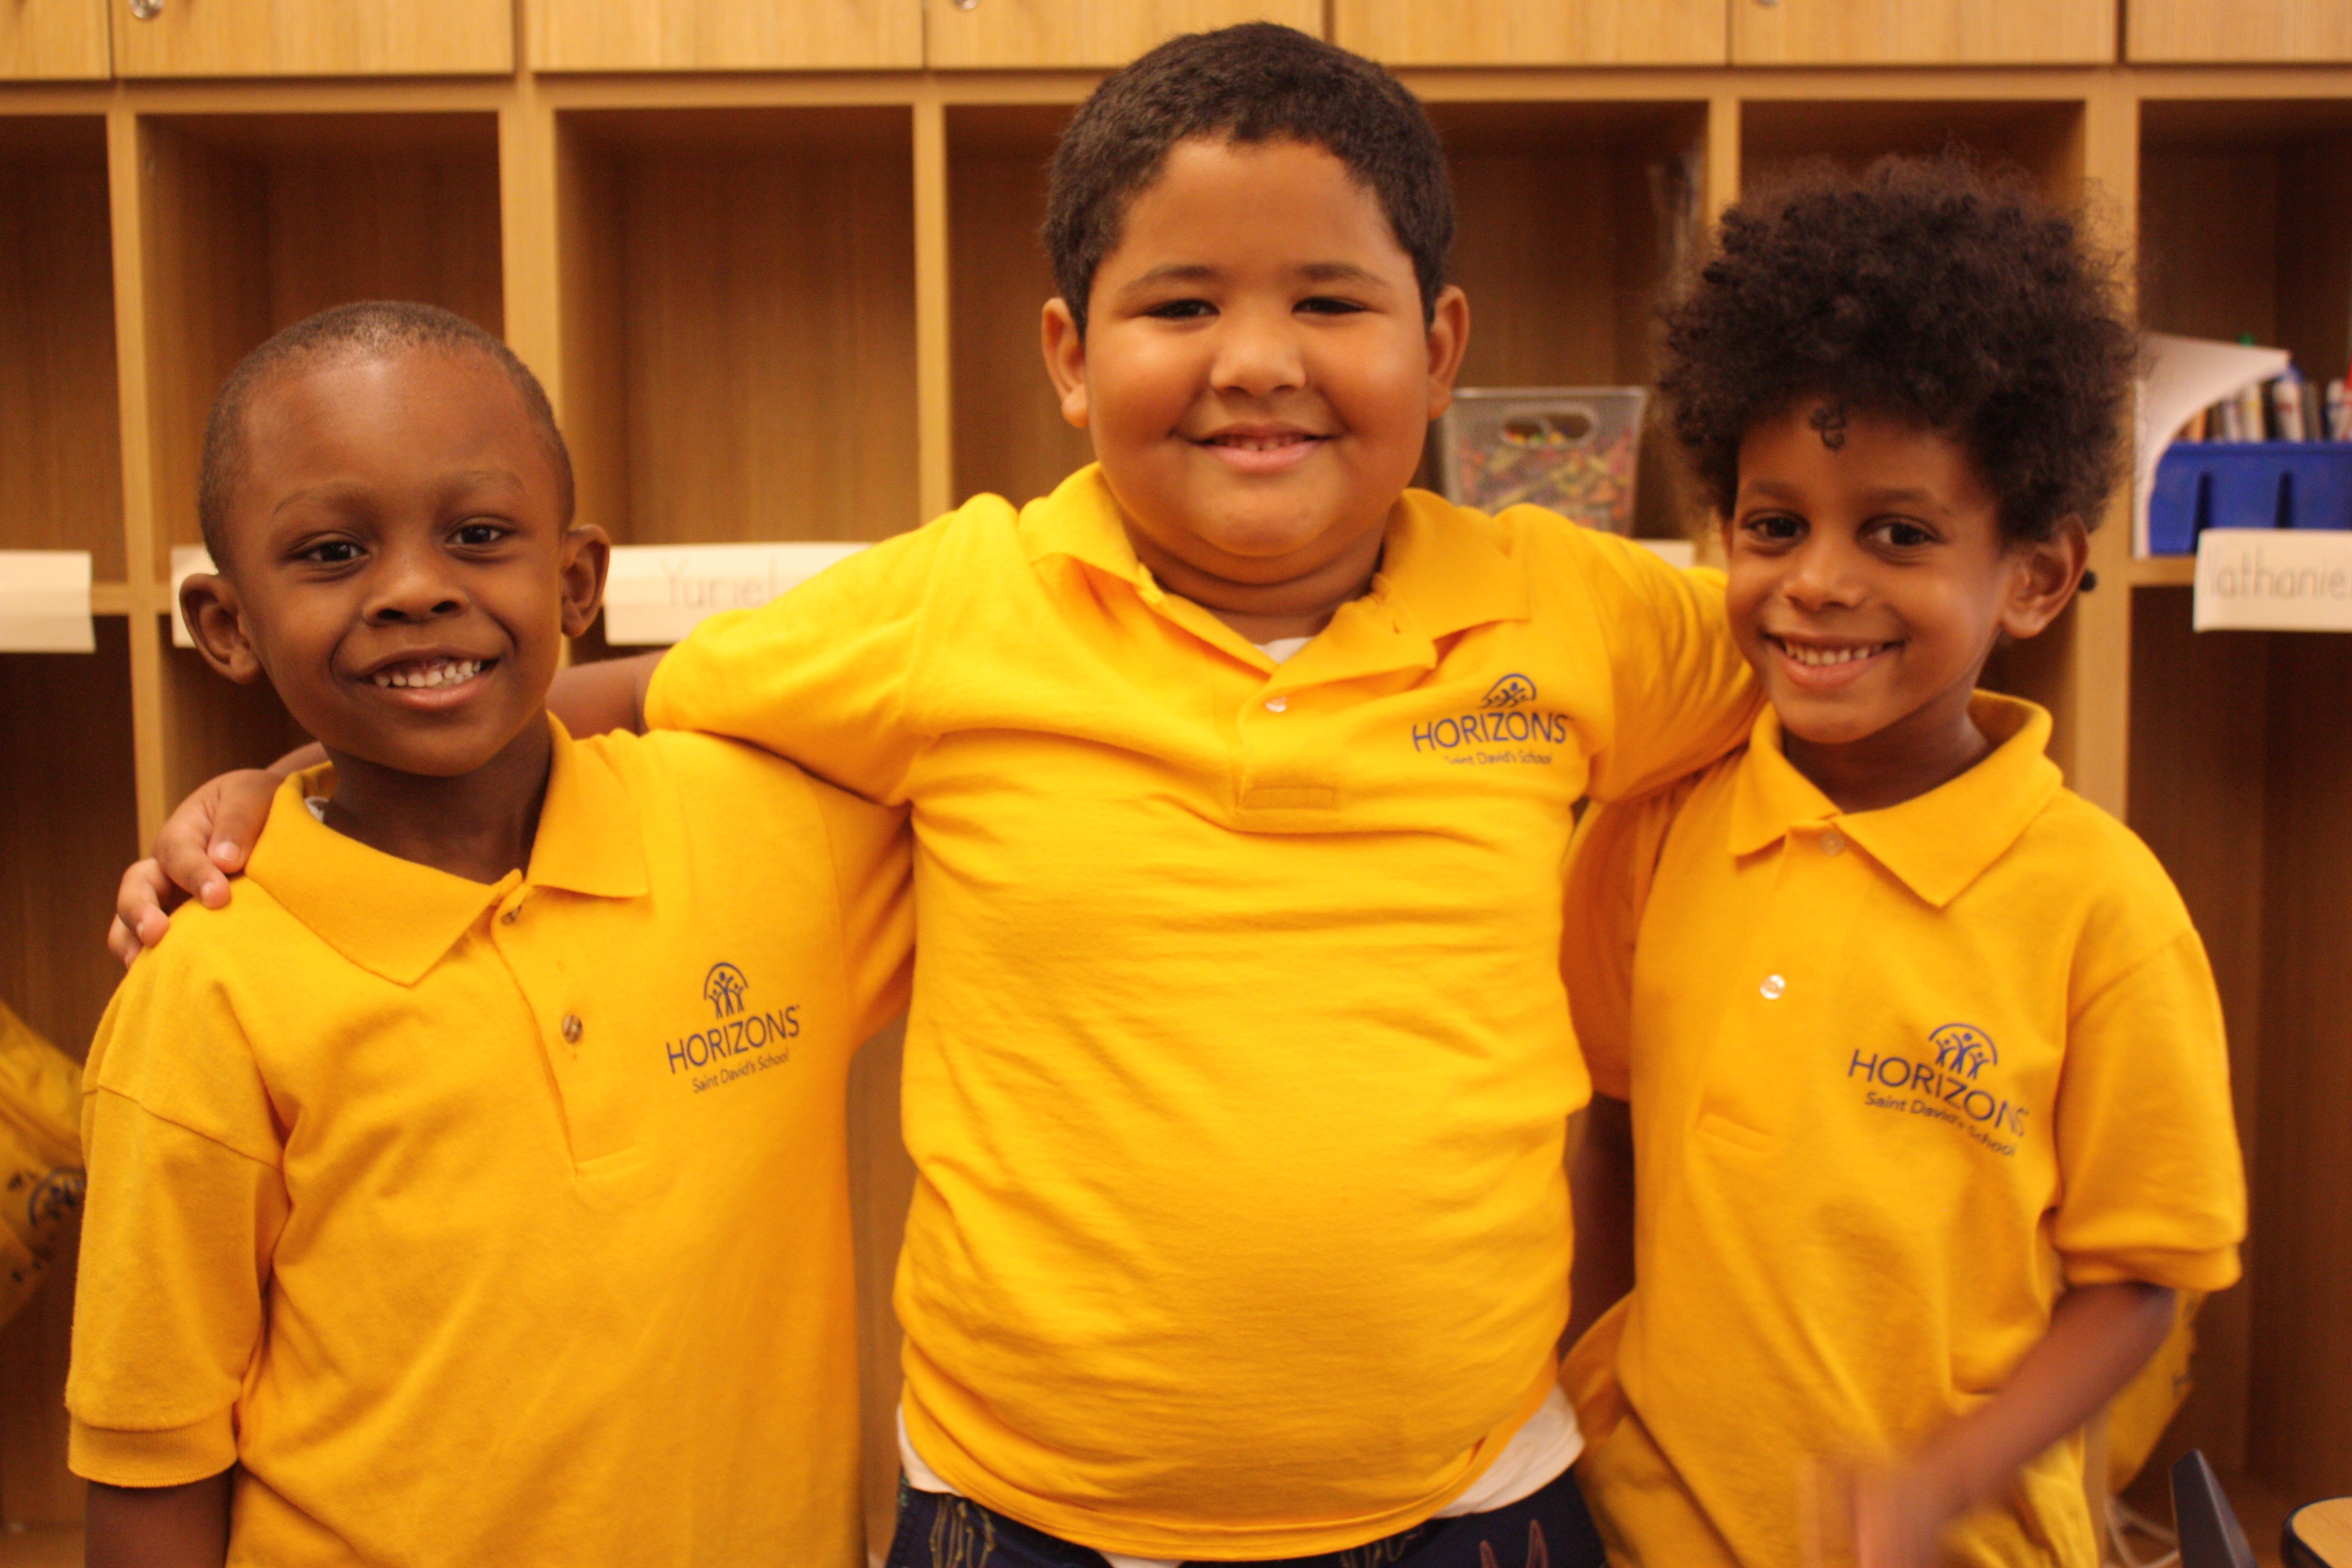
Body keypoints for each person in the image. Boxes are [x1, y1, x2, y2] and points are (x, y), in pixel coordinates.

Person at [112, 28, 1759, 1568]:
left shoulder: (1585, 611)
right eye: (1180, 307)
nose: (1256, 363)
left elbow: (1822, 670)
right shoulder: (951, 605)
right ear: (1067, 353)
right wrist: (278, 776)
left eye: (1330, 302)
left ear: (1441, 343)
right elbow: (602, 692)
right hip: (1019, 1508)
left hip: (1472, 1492)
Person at [70, 302, 910, 1568]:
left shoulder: (769, 832)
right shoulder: (209, 980)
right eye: (333, 550)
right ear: (227, 624)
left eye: (478, 534)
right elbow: (151, 1458)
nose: (416, 590)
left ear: (576, 580)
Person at [1557, 159, 2247, 1568]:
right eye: (1773, 523)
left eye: (1900, 533)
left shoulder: (2100, 907)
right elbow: (1612, 1131)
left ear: (2038, 577)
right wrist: (1581, 1380)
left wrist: (1933, 1485)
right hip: (1646, 1530)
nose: (1818, 578)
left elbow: (2140, 1282)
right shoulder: (1656, 823)